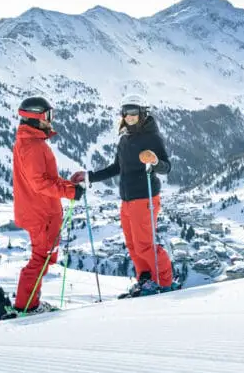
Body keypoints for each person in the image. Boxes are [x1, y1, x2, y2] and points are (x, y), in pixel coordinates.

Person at [72, 94, 177, 296]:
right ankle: (146, 281)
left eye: (133, 112)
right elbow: (116, 167)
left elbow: (166, 167)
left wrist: (154, 161)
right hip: (127, 200)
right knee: (133, 245)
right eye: (125, 112)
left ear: (142, 113)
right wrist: (90, 177)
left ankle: (165, 284)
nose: (129, 116)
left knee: (145, 245)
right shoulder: (125, 139)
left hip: (145, 199)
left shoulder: (152, 137)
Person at [12, 96, 84, 313]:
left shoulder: (31, 142)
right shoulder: (33, 146)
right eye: (49, 115)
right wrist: (70, 191)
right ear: (37, 117)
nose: (51, 120)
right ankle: (26, 307)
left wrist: (69, 185)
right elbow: (40, 183)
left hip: (41, 210)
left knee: (44, 259)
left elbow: (45, 178)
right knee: (40, 260)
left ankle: (30, 304)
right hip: (42, 214)